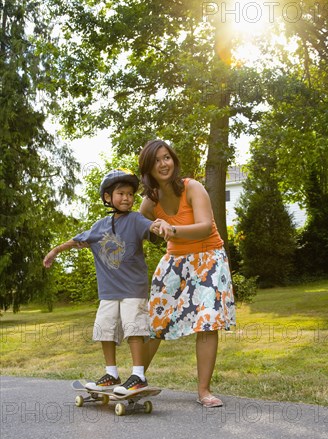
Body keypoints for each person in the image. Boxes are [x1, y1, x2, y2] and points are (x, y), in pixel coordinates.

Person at [43, 168, 167, 394]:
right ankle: (112, 373)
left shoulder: (136, 219)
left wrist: (160, 225)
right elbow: (77, 239)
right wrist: (55, 251)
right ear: (108, 197)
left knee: (133, 329)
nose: (127, 198)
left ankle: (138, 375)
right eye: (121, 193)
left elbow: (151, 227)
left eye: (130, 194)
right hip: (108, 292)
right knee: (105, 329)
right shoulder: (99, 226)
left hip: (133, 289)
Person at [138, 140, 236, 407]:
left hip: (208, 258)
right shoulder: (150, 200)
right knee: (155, 322)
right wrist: (151, 230)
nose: (163, 164)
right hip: (175, 260)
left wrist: (171, 229)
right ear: (148, 168)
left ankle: (204, 391)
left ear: (174, 161)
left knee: (207, 322)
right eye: (157, 160)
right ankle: (135, 380)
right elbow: (141, 224)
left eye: (167, 157)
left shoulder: (193, 187)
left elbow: (205, 226)